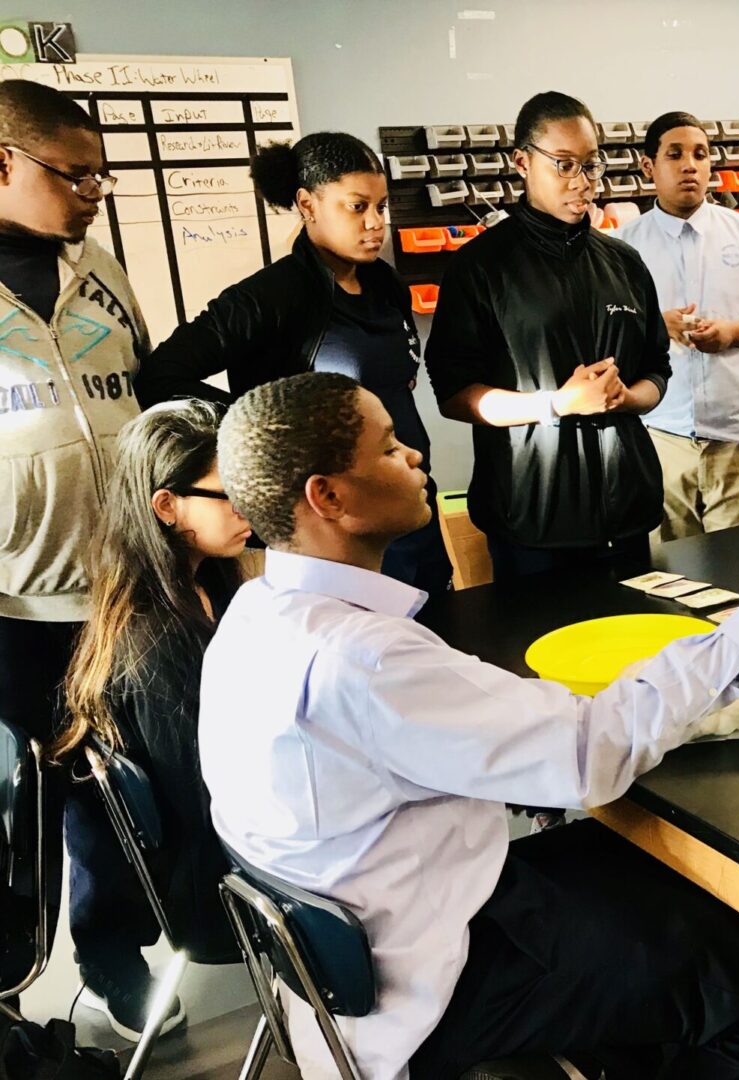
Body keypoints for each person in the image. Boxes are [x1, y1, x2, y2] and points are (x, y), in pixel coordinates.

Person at [199, 370, 739, 1079]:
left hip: (364, 945)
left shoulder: (255, 617)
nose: (414, 456)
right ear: (329, 496)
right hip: (428, 975)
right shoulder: (363, 658)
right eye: (388, 448)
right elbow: (593, 749)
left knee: (655, 883)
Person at [135, 132, 451, 600]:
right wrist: (266, 428)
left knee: (434, 646)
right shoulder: (271, 296)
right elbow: (161, 375)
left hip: (410, 504)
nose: (375, 222)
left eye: (381, 207)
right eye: (357, 206)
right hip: (335, 532)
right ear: (308, 204)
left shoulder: (386, 287)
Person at [0, 79, 155, 1031]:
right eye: (74, 172)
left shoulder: (98, 268)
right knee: (17, 802)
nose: (94, 189)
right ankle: (12, 982)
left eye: (103, 172)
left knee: (116, 790)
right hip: (11, 604)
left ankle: (113, 961)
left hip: (120, 591)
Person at [52, 400, 250, 1033]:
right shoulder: (155, 638)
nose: (247, 506)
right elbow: (208, 794)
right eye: (228, 494)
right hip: (224, 887)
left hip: (229, 848)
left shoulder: (205, 584)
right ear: (167, 506)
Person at [426, 92, 671, 580]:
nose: (582, 182)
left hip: (627, 516)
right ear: (522, 161)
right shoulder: (480, 267)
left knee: (636, 652)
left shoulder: (623, 262)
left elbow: (657, 368)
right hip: (532, 522)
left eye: (590, 165)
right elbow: (455, 395)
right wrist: (555, 404)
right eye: (563, 165)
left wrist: (626, 397)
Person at [617, 110, 739, 540]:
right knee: (665, 579)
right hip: (661, 440)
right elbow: (606, 340)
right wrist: (658, 326)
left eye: (700, 154)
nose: (690, 165)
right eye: (674, 154)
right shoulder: (622, 248)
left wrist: (732, 333)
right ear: (648, 167)